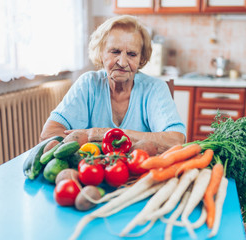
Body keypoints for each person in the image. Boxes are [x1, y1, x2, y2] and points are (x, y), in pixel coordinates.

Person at [40, 15, 186, 154]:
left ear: (141, 58)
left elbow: (176, 140)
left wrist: (99, 134)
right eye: (115, 52)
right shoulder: (88, 84)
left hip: (140, 170)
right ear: (101, 53)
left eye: (132, 54)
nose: (122, 63)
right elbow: (49, 134)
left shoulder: (155, 88)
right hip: (92, 171)